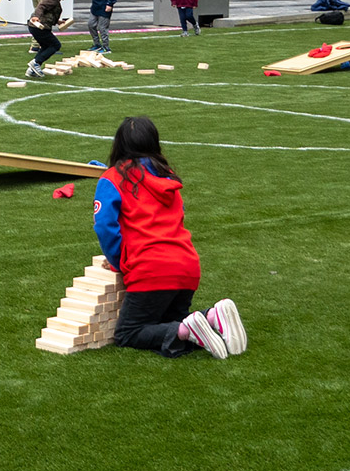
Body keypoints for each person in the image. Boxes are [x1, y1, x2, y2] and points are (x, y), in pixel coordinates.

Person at [92, 116, 243, 360]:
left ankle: (188, 327)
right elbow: (178, 215)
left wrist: (121, 261)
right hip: (187, 266)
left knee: (128, 334)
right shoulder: (168, 175)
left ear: (118, 144)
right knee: (168, 321)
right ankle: (211, 317)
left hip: (150, 268)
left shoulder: (112, 178)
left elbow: (105, 227)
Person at [26, 0, 71, 78]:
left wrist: (57, 21)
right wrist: (36, 16)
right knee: (55, 45)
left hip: (37, 27)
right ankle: (35, 63)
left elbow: (48, 13)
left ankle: (32, 69)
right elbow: (41, 6)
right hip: (39, 27)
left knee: (46, 46)